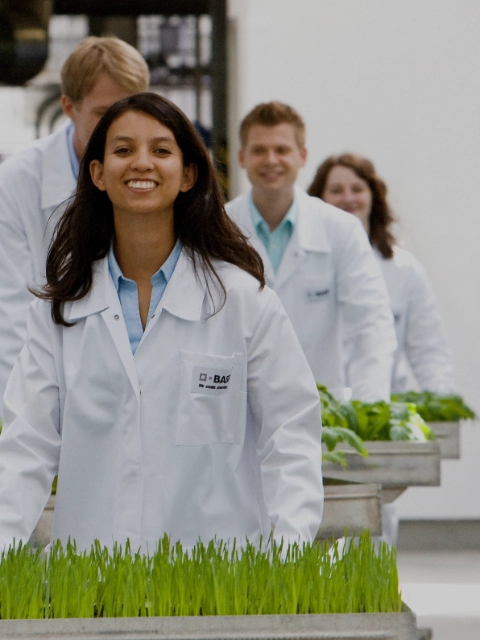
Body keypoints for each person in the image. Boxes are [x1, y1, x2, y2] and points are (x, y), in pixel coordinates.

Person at [0, 93, 324, 552]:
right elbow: (25, 447)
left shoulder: (243, 302)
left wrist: (289, 550)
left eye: (162, 150)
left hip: (217, 580)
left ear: (188, 174)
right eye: (123, 150)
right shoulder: (61, 312)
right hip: (95, 579)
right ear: (97, 173)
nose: (142, 164)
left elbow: (291, 435)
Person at [0, 36, 150, 416]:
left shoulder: (157, 176)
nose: (120, 127)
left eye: (131, 109)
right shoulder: (17, 183)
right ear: (68, 107)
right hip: (50, 396)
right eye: (104, 113)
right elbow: (12, 317)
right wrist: (33, 422)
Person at [226, 102, 397, 402]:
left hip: (320, 413)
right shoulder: (219, 228)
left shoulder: (340, 229)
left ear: (302, 156)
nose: (271, 160)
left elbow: (370, 325)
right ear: (242, 157)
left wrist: (368, 407)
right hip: (238, 409)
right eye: (259, 150)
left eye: (282, 150)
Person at [308, 153, 455, 394]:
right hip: (320, 408)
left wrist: (443, 413)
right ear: (319, 199)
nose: (348, 198)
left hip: (380, 409)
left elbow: (429, 351)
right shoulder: (304, 262)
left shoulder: (405, 270)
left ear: (373, 197)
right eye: (336, 190)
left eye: (357, 189)